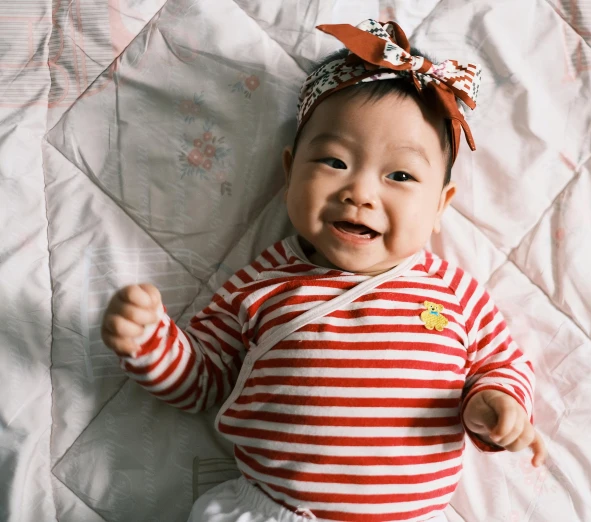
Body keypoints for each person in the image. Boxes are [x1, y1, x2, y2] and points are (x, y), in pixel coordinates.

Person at [101, 19, 547, 522]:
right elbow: (200, 381)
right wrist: (148, 342)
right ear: (290, 171)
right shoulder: (262, 283)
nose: (360, 192)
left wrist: (495, 403)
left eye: (400, 175)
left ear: (441, 204)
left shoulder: (453, 293)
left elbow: (502, 362)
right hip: (276, 510)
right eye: (335, 161)